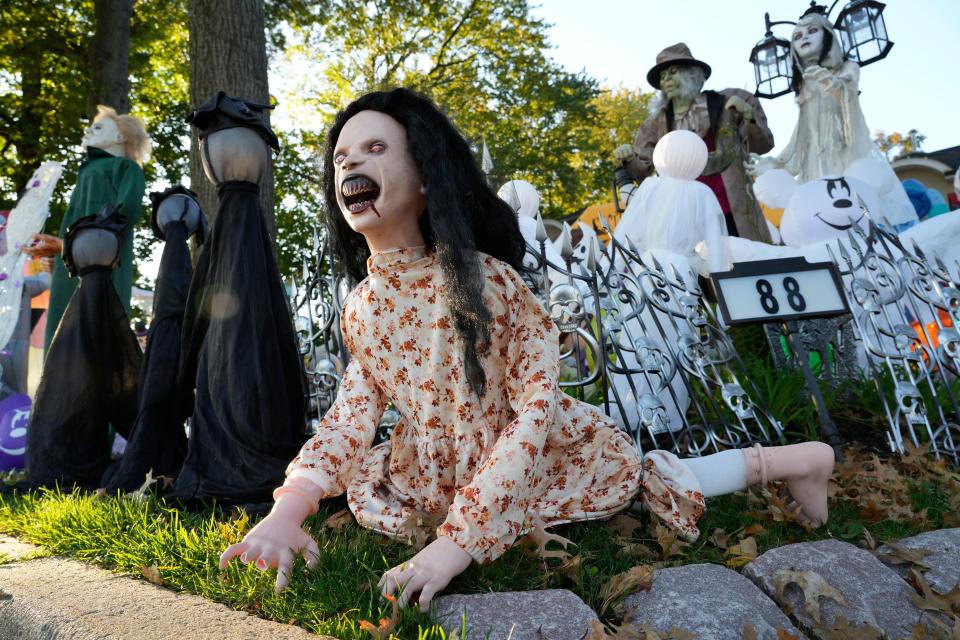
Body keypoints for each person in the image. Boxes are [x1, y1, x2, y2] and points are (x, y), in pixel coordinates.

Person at [219, 88, 835, 612]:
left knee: (649, 480)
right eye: (343, 156)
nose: (351, 162)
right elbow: (352, 413)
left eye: (376, 149)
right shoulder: (362, 308)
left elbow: (535, 411)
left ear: (427, 177)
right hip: (438, 467)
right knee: (387, 486)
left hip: (533, 449)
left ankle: (796, 460)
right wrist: (287, 510)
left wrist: (454, 545)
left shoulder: (487, 283)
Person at [746, 9, 917, 232]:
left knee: (860, 207)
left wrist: (826, 79)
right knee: (826, 217)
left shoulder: (848, 68)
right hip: (816, 162)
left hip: (847, 151)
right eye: (797, 36)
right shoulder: (806, 85)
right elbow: (802, 134)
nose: (804, 37)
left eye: (812, 31)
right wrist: (777, 162)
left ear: (828, 35)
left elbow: (846, 97)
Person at [614, 43, 774, 242]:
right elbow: (643, 168)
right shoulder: (656, 123)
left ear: (692, 73)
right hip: (684, 214)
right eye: (662, 76)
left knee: (746, 261)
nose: (666, 79)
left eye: (672, 72)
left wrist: (748, 115)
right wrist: (629, 157)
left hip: (734, 209)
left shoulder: (727, 101)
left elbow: (763, 144)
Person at [37, 106, 150, 350]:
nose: (88, 130)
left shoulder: (125, 168)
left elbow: (122, 217)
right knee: (61, 337)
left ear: (120, 137)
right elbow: (75, 223)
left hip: (103, 269)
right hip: (70, 268)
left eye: (98, 127)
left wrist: (67, 246)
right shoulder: (86, 172)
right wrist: (61, 254)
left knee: (96, 337)